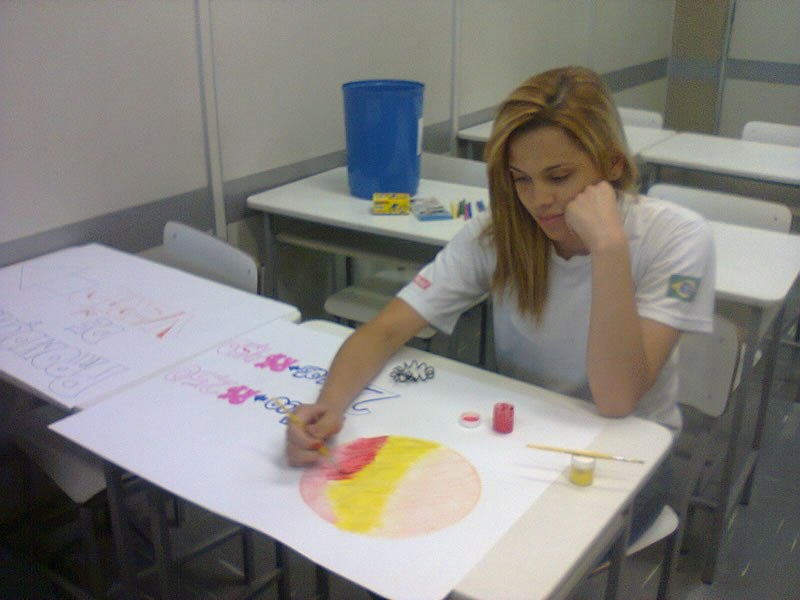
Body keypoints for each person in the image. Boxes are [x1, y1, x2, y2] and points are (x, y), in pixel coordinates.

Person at [285, 66, 715, 543]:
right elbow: (386, 329)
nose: (539, 200)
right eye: (520, 179)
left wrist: (608, 247)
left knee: (513, 553)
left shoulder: (675, 237)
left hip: (630, 457)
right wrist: (328, 406)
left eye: (559, 176)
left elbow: (616, 400)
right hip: (523, 438)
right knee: (419, 524)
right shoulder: (500, 233)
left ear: (612, 164)